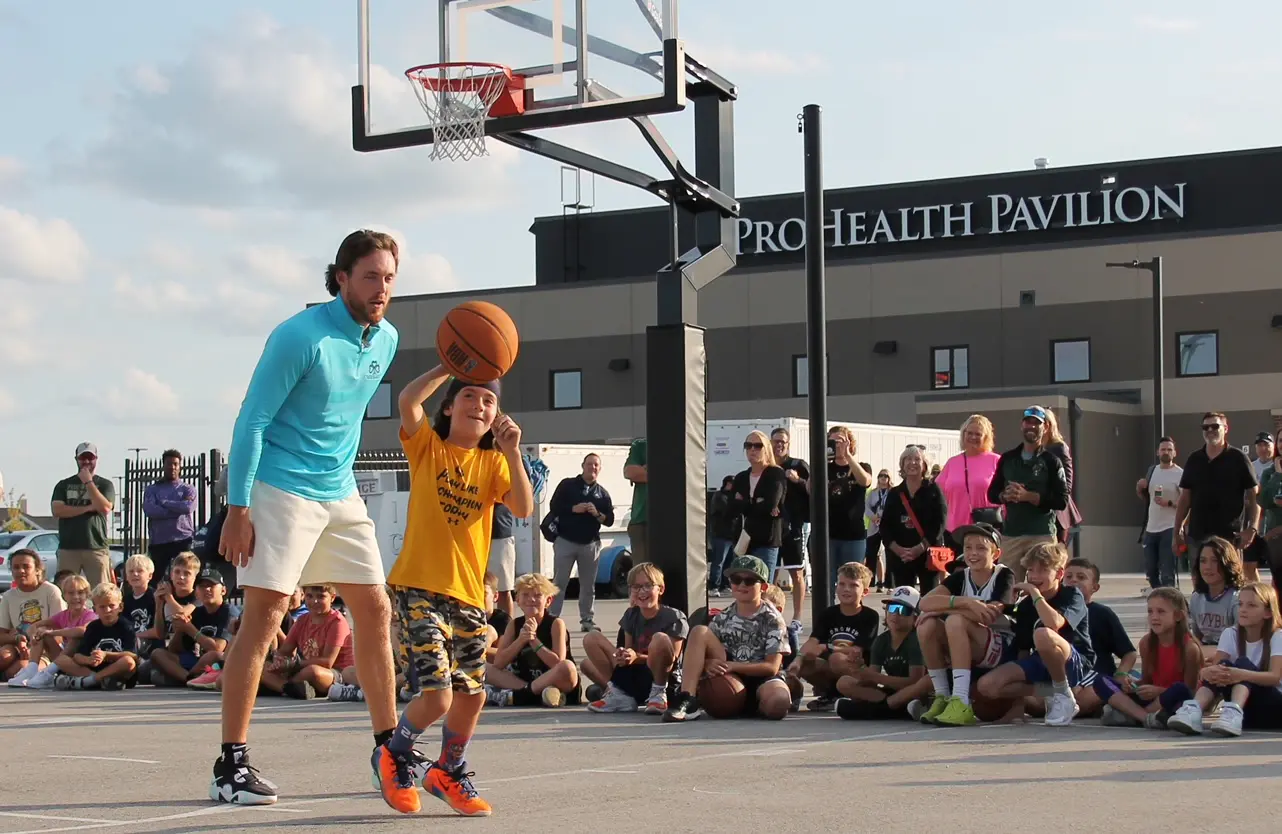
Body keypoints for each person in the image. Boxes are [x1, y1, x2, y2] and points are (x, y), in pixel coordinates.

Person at [213, 230, 401, 806]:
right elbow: (251, 421)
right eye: (370, 276)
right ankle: (232, 766)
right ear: (341, 277)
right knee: (265, 618)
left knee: (374, 605)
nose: (382, 288)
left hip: (339, 490)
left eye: (390, 278)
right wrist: (237, 508)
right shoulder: (300, 336)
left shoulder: (385, 338)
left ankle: (389, 747)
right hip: (281, 488)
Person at [375, 364, 533, 818]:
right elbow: (407, 401)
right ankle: (394, 753)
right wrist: (450, 366)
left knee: (473, 695)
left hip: (466, 596)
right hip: (419, 586)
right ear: (448, 406)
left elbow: (522, 506)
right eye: (469, 396)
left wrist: (514, 451)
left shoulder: (494, 462)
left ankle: (448, 769)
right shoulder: (428, 447)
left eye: (489, 400)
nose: (479, 405)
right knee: (439, 696)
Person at [975, 541, 1097, 726]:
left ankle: (1064, 696)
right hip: (1042, 662)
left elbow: (1054, 623)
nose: (1033, 576)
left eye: (1041, 571)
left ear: (1059, 574)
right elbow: (1023, 651)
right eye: (1030, 570)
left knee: (1043, 634)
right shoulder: (1025, 606)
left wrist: (1033, 591)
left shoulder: (1072, 595)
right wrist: (1018, 704)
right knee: (987, 686)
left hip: (1075, 663)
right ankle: (1053, 692)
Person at [662, 555, 790, 722]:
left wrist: (732, 665)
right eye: (736, 579)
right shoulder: (723, 617)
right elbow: (705, 652)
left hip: (762, 678)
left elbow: (771, 667)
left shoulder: (773, 619)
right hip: (730, 676)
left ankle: (757, 704)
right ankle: (688, 698)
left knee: (778, 703)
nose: (742, 585)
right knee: (700, 631)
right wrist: (707, 664)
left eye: (749, 581)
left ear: (763, 586)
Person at [915, 521, 1015, 726]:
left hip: (1000, 649)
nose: (973, 553)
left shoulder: (1004, 575)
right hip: (970, 644)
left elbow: (988, 615)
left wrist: (945, 609)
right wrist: (965, 602)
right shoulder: (960, 577)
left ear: (995, 554)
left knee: (955, 621)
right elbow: (925, 602)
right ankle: (942, 696)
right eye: (968, 547)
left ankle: (960, 700)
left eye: (981, 548)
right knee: (927, 625)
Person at [1167, 581, 1282, 736]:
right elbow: (1215, 671)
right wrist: (1207, 671)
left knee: (1242, 663)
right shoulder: (1230, 634)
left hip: (1273, 709)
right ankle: (1194, 710)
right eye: (1240, 604)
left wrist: (1240, 674)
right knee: (1223, 665)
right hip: (1247, 712)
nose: (1243, 610)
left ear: (1268, 612)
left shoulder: (1278, 636)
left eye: (1251, 606)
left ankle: (1233, 712)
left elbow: (1275, 677)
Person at [1089, 587, 1201, 729]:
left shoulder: (1189, 648)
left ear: (1178, 616)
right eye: (1150, 612)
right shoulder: (1146, 643)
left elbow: (1190, 691)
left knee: (1180, 690)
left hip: (1170, 699)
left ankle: (1129, 715)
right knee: (1101, 680)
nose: (1154, 617)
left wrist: (1159, 691)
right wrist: (1132, 685)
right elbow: (1147, 680)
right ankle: (1145, 718)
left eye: (1161, 612)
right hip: (1150, 701)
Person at [585, 562, 688, 715]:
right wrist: (623, 655)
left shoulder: (674, 617)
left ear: (660, 589)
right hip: (636, 674)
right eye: (636, 587)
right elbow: (629, 650)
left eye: (647, 586)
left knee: (659, 639)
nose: (642, 591)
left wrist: (636, 657)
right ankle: (619, 694)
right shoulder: (631, 614)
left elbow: (671, 659)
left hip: (663, 678)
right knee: (591, 638)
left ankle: (658, 695)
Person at [987, 406, 1069, 583]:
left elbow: (1062, 500)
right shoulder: (1008, 459)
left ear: (1045, 427)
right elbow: (992, 493)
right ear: (1021, 425)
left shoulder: (1051, 461)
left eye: (1036, 423)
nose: (1031, 426)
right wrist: (1005, 495)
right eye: (1028, 422)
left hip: (1041, 534)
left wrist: (1029, 496)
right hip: (1012, 534)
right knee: (1006, 586)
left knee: (1045, 584)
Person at [1174, 412, 1259, 581]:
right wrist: (1176, 531)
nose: (1210, 430)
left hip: (1228, 536)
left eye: (1215, 426)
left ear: (1226, 429)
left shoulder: (1238, 459)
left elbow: (1254, 498)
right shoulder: (1194, 459)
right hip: (1198, 536)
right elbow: (1185, 498)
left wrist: (1252, 529)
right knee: (1200, 584)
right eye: (1206, 427)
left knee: (1231, 583)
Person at [786, 561, 879, 712]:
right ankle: (828, 695)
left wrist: (826, 647)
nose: (846, 589)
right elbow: (813, 641)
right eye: (842, 584)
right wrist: (797, 660)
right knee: (806, 659)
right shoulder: (828, 614)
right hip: (833, 668)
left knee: (836, 658)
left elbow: (856, 651)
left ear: (865, 591)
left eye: (853, 585)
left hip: (859, 670)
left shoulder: (870, 616)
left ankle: (855, 694)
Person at [835, 586, 931, 720]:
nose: (895, 614)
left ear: (915, 617)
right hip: (893, 692)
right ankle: (898, 709)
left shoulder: (916, 639)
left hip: (915, 692)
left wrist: (873, 676)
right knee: (844, 682)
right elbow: (873, 681)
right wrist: (859, 671)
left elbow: (914, 681)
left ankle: (882, 709)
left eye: (903, 610)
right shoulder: (881, 641)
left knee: (925, 682)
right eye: (891, 608)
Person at [484, 573, 580, 708]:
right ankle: (534, 695)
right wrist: (521, 640)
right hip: (524, 681)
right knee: (484, 667)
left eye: (537, 595)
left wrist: (534, 640)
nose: (531, 599)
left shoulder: (556, 624)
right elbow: (499, 663)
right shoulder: (514, 625)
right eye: (525, 595)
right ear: (517, 599)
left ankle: (518, 696)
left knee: (567, 667)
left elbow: (557, 663)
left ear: (548, 601)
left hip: (555, 680)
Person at [547, 453, 615, 633]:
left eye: (596, 466)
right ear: (582, 465)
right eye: (589, 464)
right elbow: (554, 506)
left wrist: (597, 514)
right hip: (565, 541)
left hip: (590, 544)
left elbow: (609, 520)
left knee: (587, 585)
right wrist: (572, 509)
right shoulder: (568, 485)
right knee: (559, 582)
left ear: (599, 469)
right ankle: (551, 618)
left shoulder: (602, 494)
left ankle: (587, 619)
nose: (592, 468)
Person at [1062, 558, 1137, 718]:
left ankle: (1105, 700)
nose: (1074, 580)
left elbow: (1129, 653)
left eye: (1081, 577)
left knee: (1078, 703)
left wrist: (1121, 674)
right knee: (1030, 700)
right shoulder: (1052, 611)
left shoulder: (1102, 614)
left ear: (1094, 587)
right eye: (1068, 576)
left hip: (1097, 675)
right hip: (1063, 677)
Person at [258, 584, 354, 699]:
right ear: (304, 597)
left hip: (335, 673)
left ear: (332, 598)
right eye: (310, 596)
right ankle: (290, 689)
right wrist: (278, 662)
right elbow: (285, 651)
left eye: (321, 597)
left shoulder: (337, 622)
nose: (315, 601)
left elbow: (327, 662)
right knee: (263, 667)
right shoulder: (302, 621)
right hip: (302, 669)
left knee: (313, 672)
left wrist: (292, 664)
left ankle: (280, 687)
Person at [878, 445, 948, 592]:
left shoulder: (934, 490)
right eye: (908, 459)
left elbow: (940, 523)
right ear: (902, 464)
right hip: (901, 556)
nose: (912, 463)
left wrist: (920, 548)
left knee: (929, 599)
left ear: (924, 465)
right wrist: (896, 549)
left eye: (917, 459)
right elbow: (885, 526)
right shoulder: (895, 493)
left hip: (927, 555)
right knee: (904, 599)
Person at [51, 442, 116, 588]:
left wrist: (88, 482)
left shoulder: (105, 484)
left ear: (96, 459)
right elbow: (57, 510)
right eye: (82, 458)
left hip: (96, 547)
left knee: (102, 591)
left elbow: (105, 507)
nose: (86, 462)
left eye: (90, 458)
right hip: (68, 547)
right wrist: (88, 508)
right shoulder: (63, 484)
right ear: (76, 459)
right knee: (65, 589)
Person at [53, 582, 138, 691]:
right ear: (95, 609)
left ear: (120, 607)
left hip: (117, 671)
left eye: (111, 606)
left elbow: (133, 656)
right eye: (102, 607)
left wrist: (106, 655)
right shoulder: (93, 627)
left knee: (128, 661)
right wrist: (88, 660)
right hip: (93, 670)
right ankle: (99, 681)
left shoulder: (126, 626)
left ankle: (88, 681)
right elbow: (78, 656)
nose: (107, 611)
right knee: (61, 660)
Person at [935, 415, 1002, 551]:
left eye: (978, 434)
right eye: (969, 433)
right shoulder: (952, 463)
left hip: (987, 530)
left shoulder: (996, 461)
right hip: (955, 532)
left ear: (986, 437)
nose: (973, 437)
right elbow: (937, 494)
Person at [770, 427, 812, 639]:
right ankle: (770, 615)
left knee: (796, 572)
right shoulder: (768, 466)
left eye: (783, 442)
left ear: (789, 443)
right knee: (771, 574)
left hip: (795, 525)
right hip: (772, 527)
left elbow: (816, 488)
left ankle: (796, 619)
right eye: (776, 441)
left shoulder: (798, 465)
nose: (779, 445)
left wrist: (798, 480)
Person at [0, 550, 65, 685]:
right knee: (3, 656)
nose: (21, 571)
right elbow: (1, 634)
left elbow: (60, 632)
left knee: (18, 670)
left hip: (45, 649)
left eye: (26, 566)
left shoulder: (51, 591)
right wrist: (17, 639)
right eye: (16, 567)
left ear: (37, 570)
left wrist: (32, 648)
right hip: (17, 645)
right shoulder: (8, 596)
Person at [729, 431, 788, 579]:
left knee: (763, 585)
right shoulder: (742, 477)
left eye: (757, 446)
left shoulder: (775, 473)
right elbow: (731, 507)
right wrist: (755, 502)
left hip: (766, 539)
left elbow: (770, 505)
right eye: (748, 446)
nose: (752, 450)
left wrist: (745, 502)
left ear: (766, 448)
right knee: (743, 582)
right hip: (743, 539)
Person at [824, 426, 873, 587]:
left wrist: (848, 456)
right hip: (828, 534)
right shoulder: (825, 467)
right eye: (833, 441)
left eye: (841, 441)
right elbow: (811, 489)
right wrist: (822, 458)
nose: (837, 445)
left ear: (850, 443)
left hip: (853, 534)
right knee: (828, 580)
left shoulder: (861, 466)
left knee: (853, 579)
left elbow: (865, 481)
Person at [143, 449, 198, 583]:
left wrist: (164, 503)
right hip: (159, 542)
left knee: (186, 577)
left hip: (183, 540)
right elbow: (150, 510)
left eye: (175, 464)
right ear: (163, 465)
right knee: (154, 580)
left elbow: (188, 507)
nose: (172, 467)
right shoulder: (152, 489)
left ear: (180, 466)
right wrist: (176, 509)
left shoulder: (188, 489)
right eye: (169, 463)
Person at [1136, 437, 1183, 591]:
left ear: (1174, 453)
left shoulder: (1180, 474)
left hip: (1170, 527)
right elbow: (1147, 498)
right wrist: (1140, 488)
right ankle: (1159, 595)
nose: (1166, 452)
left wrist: (1168, 503)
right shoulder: (1152, 470)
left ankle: (1170, 600)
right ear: (1158, 452)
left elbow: (1186, 504)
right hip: (1151, 528)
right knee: (1150, 570)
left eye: (1169, 449)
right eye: (1163, 449)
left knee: (1167, 571)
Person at [1189, 536, 1245, 660]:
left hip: (1233, 655)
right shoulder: (1196, 598)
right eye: (1203, 561)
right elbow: (1196, 637)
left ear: (1227, 562)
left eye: (1214, 560)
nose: (1207, 567)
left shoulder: (1237, 598)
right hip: (1204, 654)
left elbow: (1241, 643)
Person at [707, 476, 738, 596]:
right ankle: (714, 586)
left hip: (731, 535)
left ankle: (725, 585)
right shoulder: (719, 496)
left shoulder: (732, 496)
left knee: (729, 562)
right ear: (727, 484)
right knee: (718, 561)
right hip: (720, 535)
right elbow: (728, 511)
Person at [865, 470, 892, 590]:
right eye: (880, 475)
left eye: (885, 476)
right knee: (871, 554)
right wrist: (873, 517)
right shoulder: (873, 493)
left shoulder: (893, 492)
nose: (883, 478)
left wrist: (885, 517)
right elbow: (866, 507)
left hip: (887, 525)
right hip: (874, 525)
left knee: (889, 553)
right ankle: (870, 582)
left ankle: (889, 583)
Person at [623, 439, 648, 565]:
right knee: (641, 569)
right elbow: (629, 472)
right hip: (641, 521)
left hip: (671, 522)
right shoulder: (641, 445)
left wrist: (644, 469)